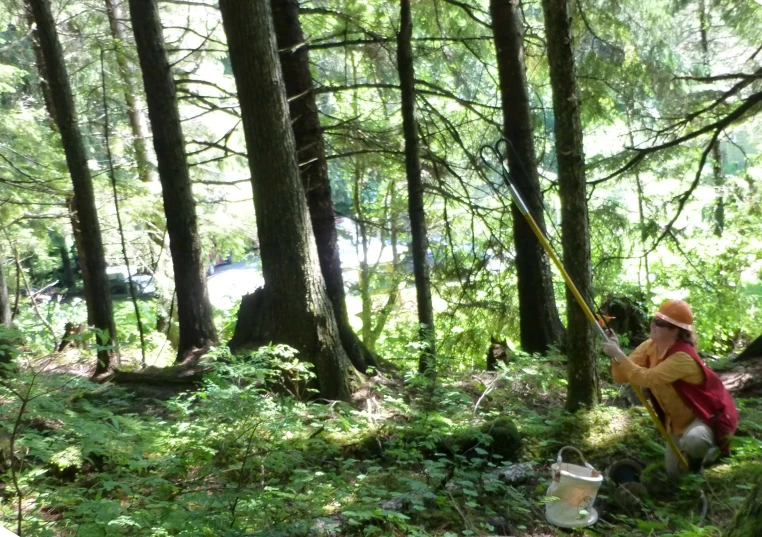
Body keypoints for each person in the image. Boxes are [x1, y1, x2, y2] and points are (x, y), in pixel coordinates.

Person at [602, 299, 738, 480]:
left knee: (694, 442)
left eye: (660, 323)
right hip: (676, 424)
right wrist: (616, 354)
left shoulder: (682, 357)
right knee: (674, 474)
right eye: (654, 319)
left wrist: (619, 354)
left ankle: (708, 456)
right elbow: (621, 377)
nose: (653, 325)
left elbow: (648, 378)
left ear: (676, 331)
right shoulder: (649, 347)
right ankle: (694, 462)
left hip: (703, 417)